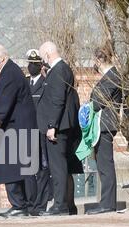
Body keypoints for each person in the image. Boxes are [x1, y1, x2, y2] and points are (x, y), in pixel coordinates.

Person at [0, 45, 39, 218]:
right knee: (18, 168)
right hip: (16, 127)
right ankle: (23, 205)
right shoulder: (11, 71)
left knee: (13, 167)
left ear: (1, 58)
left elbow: (4, 104)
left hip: (15, 128)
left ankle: (20, 205)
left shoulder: (9, 73)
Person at [37, 42, 83, 215]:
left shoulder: (58, 71)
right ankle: (67, 205)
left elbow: (57, 101)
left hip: (58, 127)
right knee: (62, 166)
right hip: (64, 125)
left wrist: (52, 126)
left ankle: (60, 205)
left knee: (58, 167)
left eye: (42, 57)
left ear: (48, 54)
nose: (42, 61)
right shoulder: (61, 70)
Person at [86, 45, 122, 215]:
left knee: (105, 164)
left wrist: (86, 108)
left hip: (106, 125)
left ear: (100, 60)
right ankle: (106, 201)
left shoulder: (113, 75)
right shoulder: (108, 76)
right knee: (102, 164)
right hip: (101, 125)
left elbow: (99, 101)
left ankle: (108, 203)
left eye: (95, 60)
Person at [25, 49, 51, 215]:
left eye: (34, 64)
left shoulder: (45, 83)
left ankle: (41, 205)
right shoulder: (25, 83)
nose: (31, 67)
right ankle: (30, 204)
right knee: (28, 171)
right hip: (27, 131)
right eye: (30, 64)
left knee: (42, 171)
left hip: (40, 132)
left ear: (40, 65)